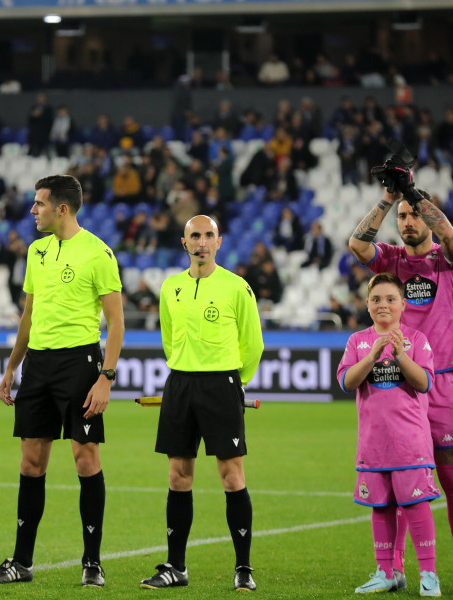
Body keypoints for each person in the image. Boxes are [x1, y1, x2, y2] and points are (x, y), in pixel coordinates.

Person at [0, 174, 124, 587]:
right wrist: (13, 365)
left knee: (85, 458)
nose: (33, 210)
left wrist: (106, 378)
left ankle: (92, 562)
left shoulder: (98, 253)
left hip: (79, 364)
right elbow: (29, 314)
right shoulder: (36, 250)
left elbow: (115, 324)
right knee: (31, 461)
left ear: (62, 208)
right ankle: (21, 561)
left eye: (39, 204)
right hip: (38, 366)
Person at [349, 177, 453, 593]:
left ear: (428, 213)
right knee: (400, 478)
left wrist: (415, 195)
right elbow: (357, 245)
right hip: (398, 385)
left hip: (441, 380)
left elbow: (449, 236)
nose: (407, 221)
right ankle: (394, 570)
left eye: (414, 214)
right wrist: (390, 197)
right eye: (403, 217)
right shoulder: (389, 259)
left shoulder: (451, 261)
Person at [140, 215, 264, 592]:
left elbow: (253, 344)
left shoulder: (236, 287)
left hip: (222, 384)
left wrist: (234, 383)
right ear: (184, 242)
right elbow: (168, 337)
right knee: (178, 475)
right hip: (179, 384)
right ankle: (176, 567)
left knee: (231, 476)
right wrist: (185, 370)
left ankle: (243, 567)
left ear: (219, 242)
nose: (202, 242)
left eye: (209, 235)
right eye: (195, 236)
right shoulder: (171, 287)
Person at [336, 272, 440, 596]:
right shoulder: (357, 342)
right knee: (380, 506)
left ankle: (429, 574)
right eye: (377, 299)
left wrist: (399, 355)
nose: (383, 305)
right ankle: (386, 571)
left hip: (410, 444)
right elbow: (346, 382)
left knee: (416, 504)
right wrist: (371, 356)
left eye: (390, 299)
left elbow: (424, 383)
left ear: (403, 305)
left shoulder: (416, 340)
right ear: (367, 305)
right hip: (373, 444)